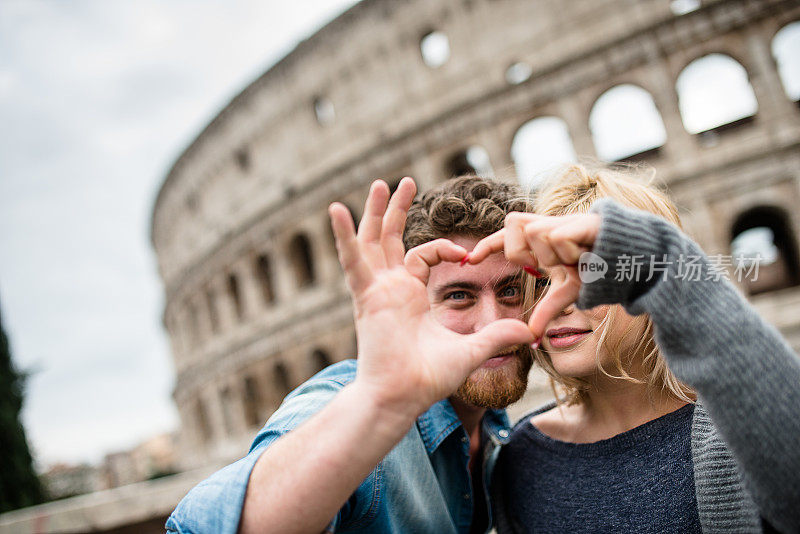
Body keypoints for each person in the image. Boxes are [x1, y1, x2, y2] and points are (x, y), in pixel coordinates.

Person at [165, 175, 538, 534]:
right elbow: (200, 528)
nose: (492, 323)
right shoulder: (354, 406)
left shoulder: (496, 429)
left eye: (510, 291)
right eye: (459, 296)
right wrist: (379, 404)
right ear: (416, 306)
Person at [465, 164, 800, 533]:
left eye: (590, 272)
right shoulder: (519, 456)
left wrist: (668, 264)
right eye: (541, 281)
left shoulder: (736, 428)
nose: (560, 302)